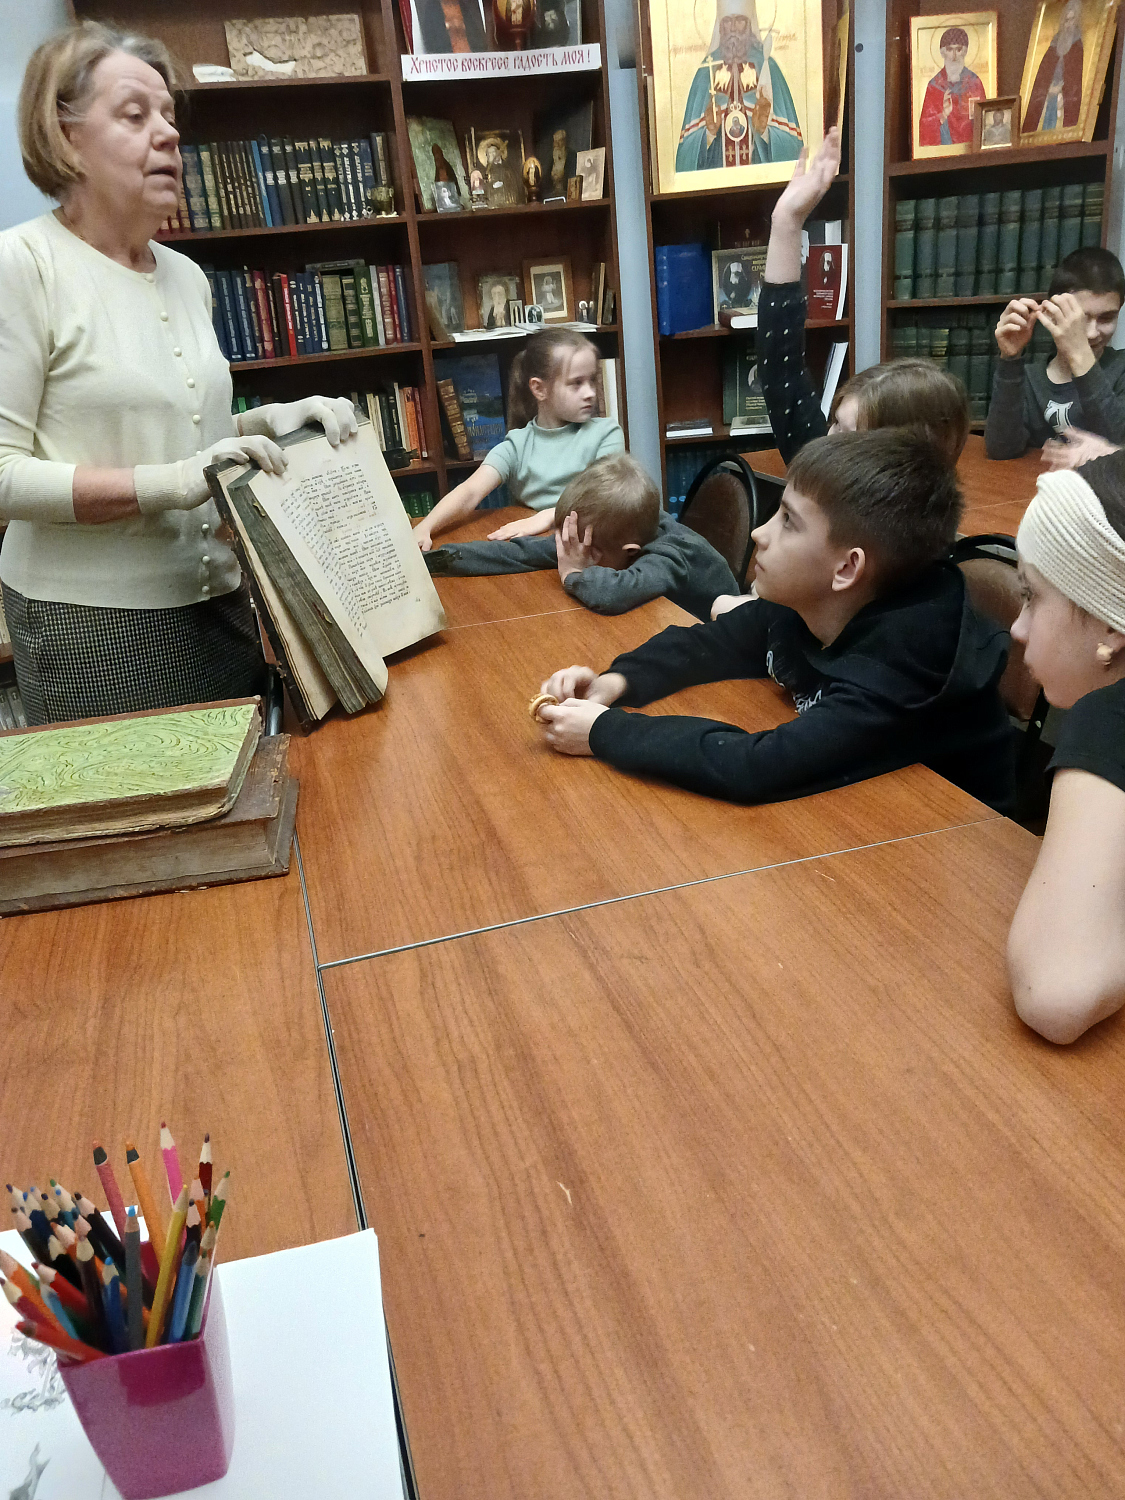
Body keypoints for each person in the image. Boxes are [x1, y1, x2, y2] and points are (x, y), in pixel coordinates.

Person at [0, 21, 357, 724]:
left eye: (168, 116)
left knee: (253, 786)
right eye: (135, 115)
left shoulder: (188, 276)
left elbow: (183, 433)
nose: (168, 134)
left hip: (223, 601)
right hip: (90, 626)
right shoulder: (21, 266)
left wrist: (270, 423)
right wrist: (171, 484)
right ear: (65, 136)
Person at [535, 431, 1014, 812]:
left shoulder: (900, 670)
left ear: (847, 568)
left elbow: (756, 767)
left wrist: (604, 732)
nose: (759, 534)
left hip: (942, 836)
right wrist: (616, 682)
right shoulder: (813, 601)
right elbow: (712, 643)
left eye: (788, 521)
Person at [756, 128, 971, 465]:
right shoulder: (832, 464)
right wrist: (787, 221)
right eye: (834, 424)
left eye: (846, 433)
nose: (829, 441)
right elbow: (781, 370)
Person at [1007, 456, 1125, 1043]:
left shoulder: (1111, 713)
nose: (1017, 627)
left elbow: (1055, 991)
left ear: (1111, 631)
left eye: (1032, 596)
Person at [423, 452, 738, 619]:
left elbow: (614, 594)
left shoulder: (668, 558)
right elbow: (525, 552)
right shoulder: (618, 533)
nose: (575, 550)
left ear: (630, 551)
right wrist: (435, 561)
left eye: (587, 550)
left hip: (718, 636)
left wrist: (573, 573)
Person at [413, 327, 623, 550]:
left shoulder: (606, 433)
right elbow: (470, 492)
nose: (590, 392)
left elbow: (606, 499)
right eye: (577, 383)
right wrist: (425, 527)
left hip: (589, 543)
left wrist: (549, 515)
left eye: (592, 380)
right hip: (535, 545)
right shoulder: (517, 445)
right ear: (539, 389)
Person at [984, 246, 1125, 459]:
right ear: (1050, 313)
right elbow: (1001, 449)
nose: (1092, 333)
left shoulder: (1120, 369)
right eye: (1080, 319)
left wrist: (1079, 355)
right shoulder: (1032, 378)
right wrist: (1010, 358)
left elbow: (1119, 452)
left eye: (1106, 318)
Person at [676, 0, 803, 173]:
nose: (733, 28)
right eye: (728, 21)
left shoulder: (768, 67)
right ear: (720, 27)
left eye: (740, 20)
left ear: (750, 25)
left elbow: (794, 148)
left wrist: (765, 131)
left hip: (760, 179)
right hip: (718, 182)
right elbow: (684, 159)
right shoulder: (706, 70)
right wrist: (708, 133)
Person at [918, 26, 986, 149]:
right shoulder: (934, 86)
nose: (954, 56)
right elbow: (925, 128)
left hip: (971, 152)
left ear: (965, 51)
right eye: (949, 50)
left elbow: (984, 122)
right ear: (942, 52)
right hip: (944, 153)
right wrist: (943, 115)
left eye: (958, 49)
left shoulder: (974, 83)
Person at [1024, 0, 1084, 134]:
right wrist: (1048, 89)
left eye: (1072, 20)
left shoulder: (1078, 47)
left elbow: (1077, 82)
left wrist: (1061, 90)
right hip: (1048, 96)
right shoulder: (1054, 45)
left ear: (1077, 21)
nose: (1069, 24)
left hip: (1065, 100)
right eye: (1066, 20)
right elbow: (1042, 77)